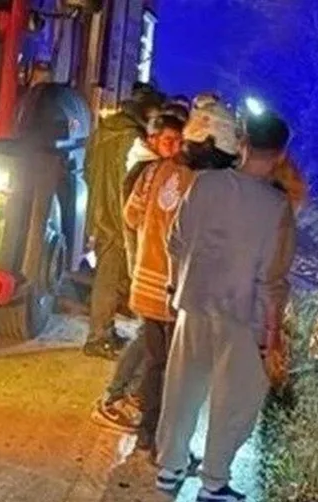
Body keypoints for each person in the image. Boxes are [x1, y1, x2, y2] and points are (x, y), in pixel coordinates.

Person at [154, 112, 297, 502]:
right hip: (242, 314)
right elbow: (273, 279)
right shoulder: (276, 207)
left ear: (243, 143)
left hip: (193, 303)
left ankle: (169, 466)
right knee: (235, 399)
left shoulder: (204, 184)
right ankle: (214, 484)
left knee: (182, 388)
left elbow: (175, 242)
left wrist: (174, 289)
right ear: (281, 154)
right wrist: (272, 336)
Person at [125, 102, 242, 452]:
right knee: (184, 374)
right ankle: (169, 445)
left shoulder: (151, 172)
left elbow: (131, 217)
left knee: (155, 364)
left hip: (147, 289)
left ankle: (147, 433)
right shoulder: (210, 185)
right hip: (184, 296)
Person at [90, 110, 188, 434]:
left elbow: (133, 217)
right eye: (169, 140)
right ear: (153, 139)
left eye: (179, 141)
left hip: (150, 273)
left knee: (150, 341)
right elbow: (130, 218)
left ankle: (129, 397)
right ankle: (115, 398)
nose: (175, 147)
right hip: (152, 275)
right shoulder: (152, 171)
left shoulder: (152, 169)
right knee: (149, 341)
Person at [83, 87, 163, 358]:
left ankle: (104, 330)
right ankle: (98, 337)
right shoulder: (131, 138)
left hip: (100, 210)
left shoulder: (105, 130)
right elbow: (129, 182)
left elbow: (88, 168)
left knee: (107, 274)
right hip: (118, 217)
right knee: (109, 277)